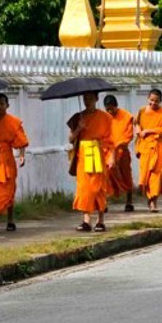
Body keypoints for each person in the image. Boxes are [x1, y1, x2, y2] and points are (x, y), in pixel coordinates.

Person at [0, 93, 29, 234]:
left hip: (7, 160)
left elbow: (21, 141)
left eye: (2, 104)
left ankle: (10, 219)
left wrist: (22, 155)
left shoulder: (13, 122)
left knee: (9, 191)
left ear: (7, 105)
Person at [68, 92, 114, 232]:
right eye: (85, 98)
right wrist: (78, 128)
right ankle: (86, 221)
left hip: (99, 153)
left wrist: (111, 156)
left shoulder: (105, 117)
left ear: (96, 99)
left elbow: (110, 140)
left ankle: (100, 221)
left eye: (90, 98)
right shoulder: (78, 117)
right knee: (84, 188)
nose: (87, 101)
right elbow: (70, 139)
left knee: (99, 188)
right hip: (83, 154)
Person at [135, 89, 162, 213]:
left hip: (157, 147)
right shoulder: (142, 111)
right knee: (146, 176)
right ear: (148, 99)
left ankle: (154, 201)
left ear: (161, 101)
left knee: (156, 176)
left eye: (156, 101)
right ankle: (149, 197)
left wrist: (148, 131)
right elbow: (136, 123)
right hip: (145, 147)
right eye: (152, 100)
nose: (154, 103)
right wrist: (138, 130)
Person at [103, 94, 136, 212]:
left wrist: (117, 146)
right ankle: (104, 202)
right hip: (107, 152)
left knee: (126, 175)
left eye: (112, 108)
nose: (110, 111)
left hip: (122, 151)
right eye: (107, 109)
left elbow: (129, 135)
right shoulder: (104, 117)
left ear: (116, 106)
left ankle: (129, 201)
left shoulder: (126, 116)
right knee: (106, 175)